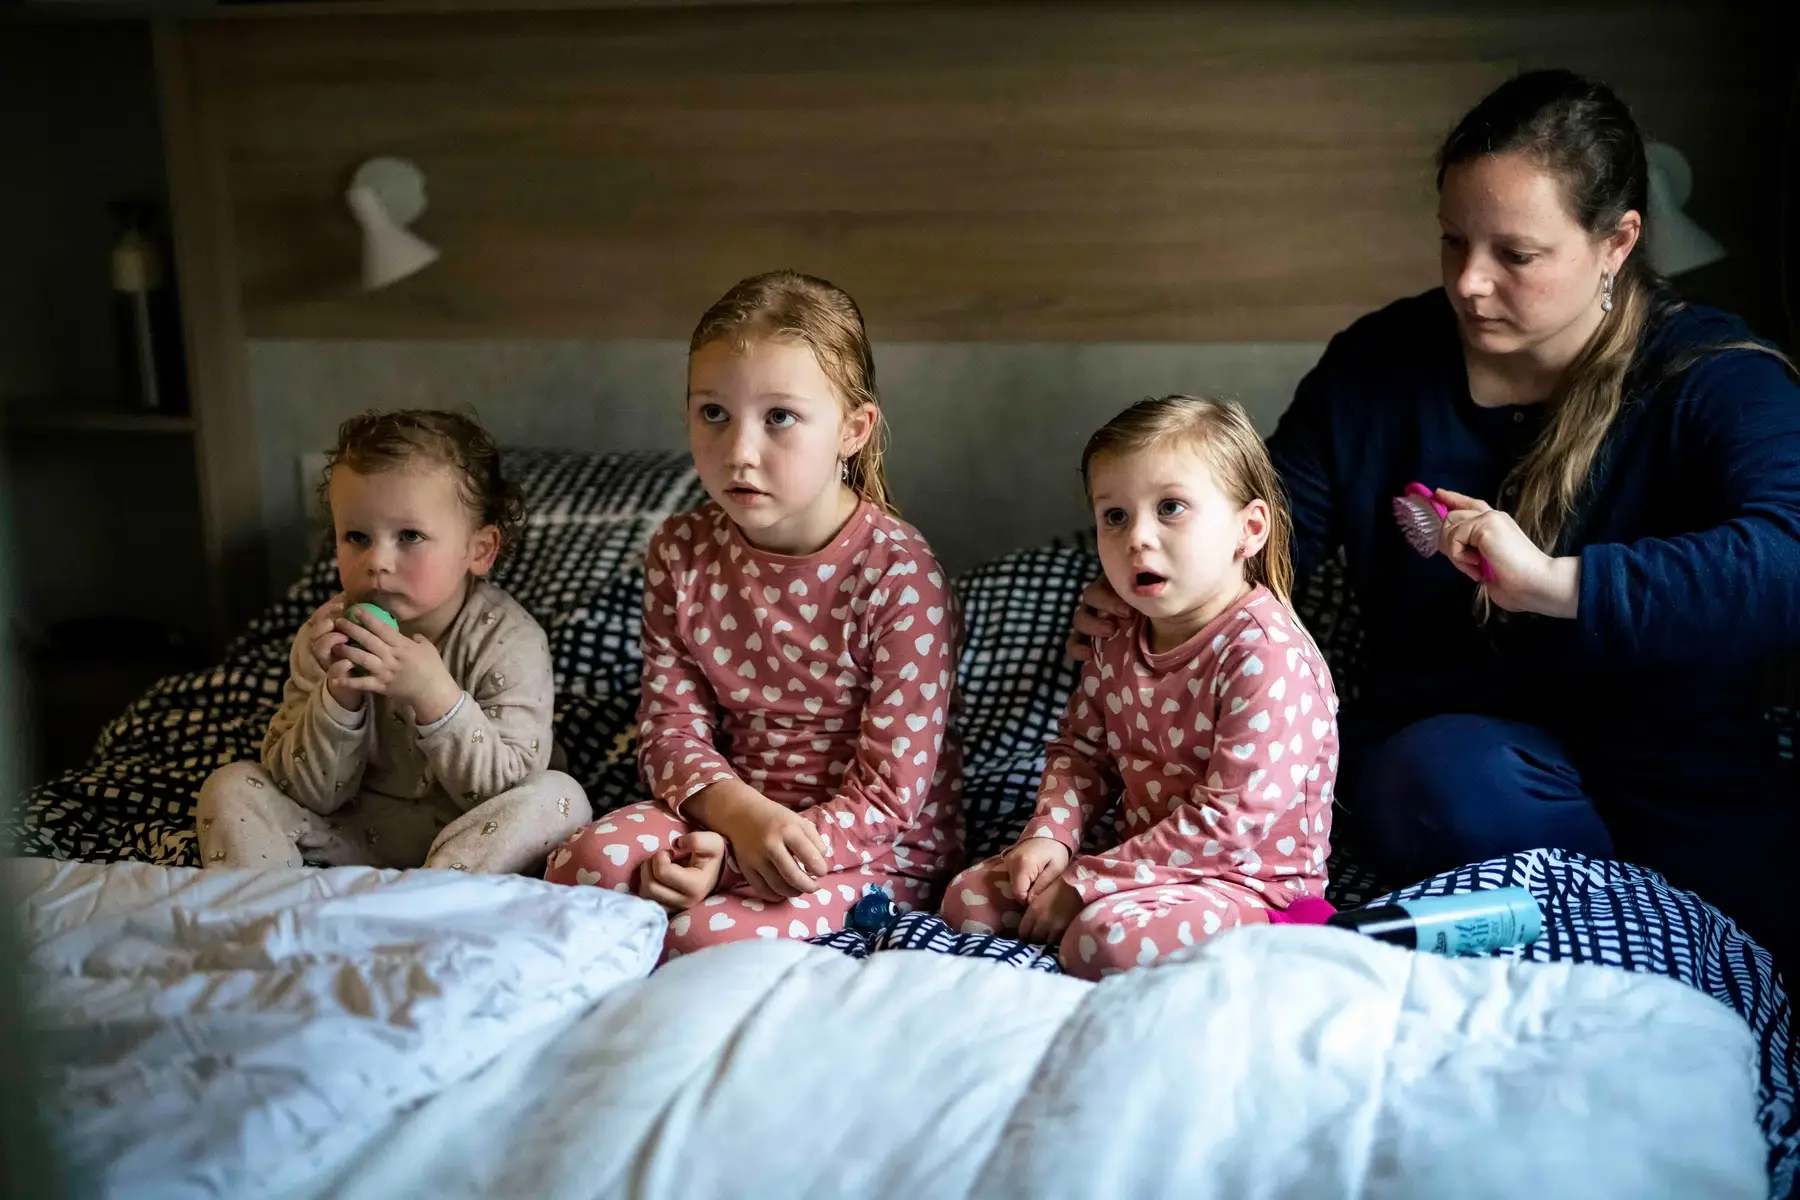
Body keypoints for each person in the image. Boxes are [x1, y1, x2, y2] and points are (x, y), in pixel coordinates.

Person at [1071, 69, 1800, 978]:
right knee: (1442, 775)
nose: (1469, 282)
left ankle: (1625, 920)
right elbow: (1264, 524)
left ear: (1616, 243)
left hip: (1679, 780)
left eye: (1516, 255)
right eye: (1453, 241)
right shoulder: (1380, 365)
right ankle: (1594, 924)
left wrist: (1552, 585)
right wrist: (1148, 585)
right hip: (1458, 767)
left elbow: (1783, 563)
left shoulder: (1717, 378)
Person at [547, 270, 961, 958]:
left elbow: (891, 794)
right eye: (713, 413)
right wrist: (730, 820)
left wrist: (735, 861)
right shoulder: (680, 550)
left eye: (779, 418)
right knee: (582, 867)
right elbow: (669, 728)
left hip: (865, 847)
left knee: (701, 936)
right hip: (723, 813)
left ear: (852, 430)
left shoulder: (899, 573)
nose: (739, 451)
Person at [943, 396, 1338, 980]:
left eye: (1171, 508)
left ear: (1248, 529)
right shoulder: (1118, 633)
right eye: (1115, 516)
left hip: (1247, 882)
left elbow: (1229, 824)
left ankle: (1281, 937)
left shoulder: (1267, 658)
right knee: (967, 898)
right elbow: (1083, 754)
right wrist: (1051, 837)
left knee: (1101, 942)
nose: (1137, 538)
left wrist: (1083, 884)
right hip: (1137, 865)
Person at [196, 410, 591, 872]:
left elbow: (500, 789)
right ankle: (270, 918)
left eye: (410, 536)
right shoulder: (323, 636)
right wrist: (337, 698)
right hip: (350, 839)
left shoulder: (508, 641)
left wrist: (435, 698)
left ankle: (422, 910)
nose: (377, 561)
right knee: (231, 785)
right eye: (356, 536)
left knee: (560, 797)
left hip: (467, 844)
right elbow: (309, 793)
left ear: (480, 550)